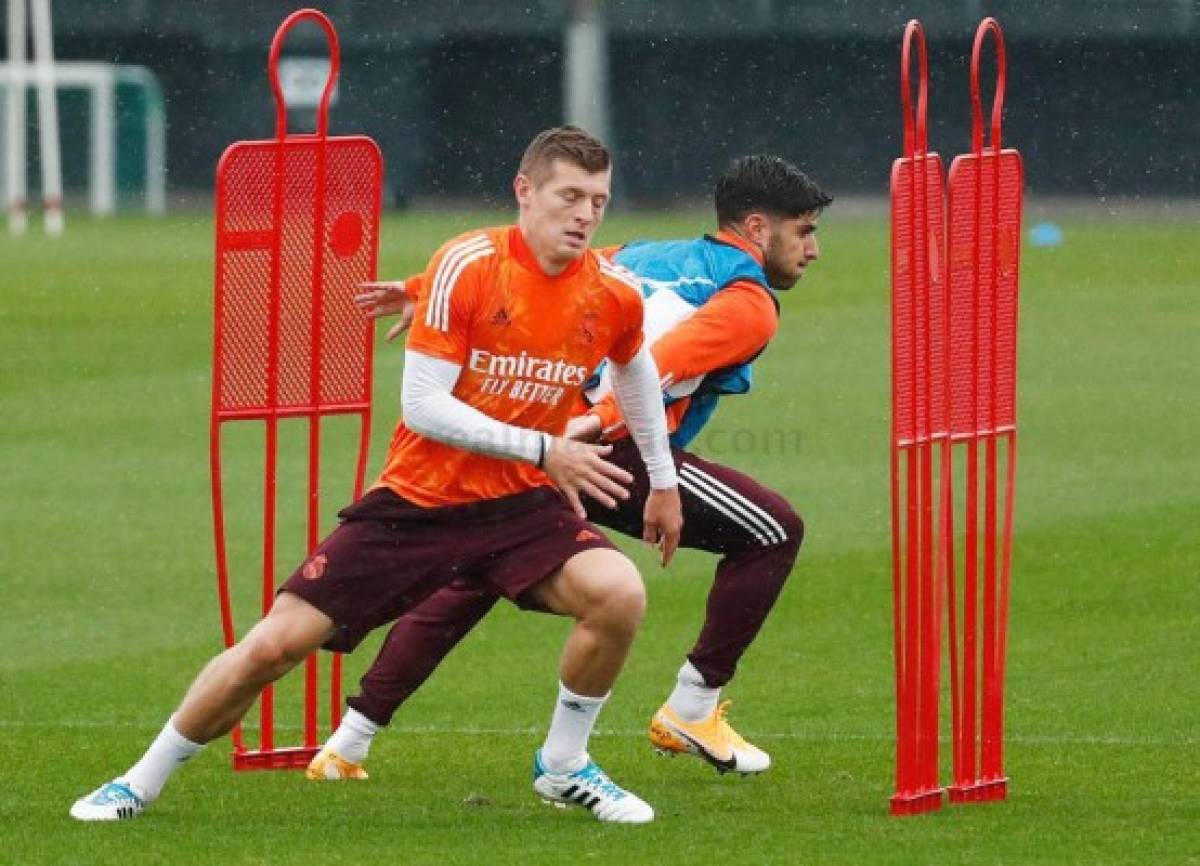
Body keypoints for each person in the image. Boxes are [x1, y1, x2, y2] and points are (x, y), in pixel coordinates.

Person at [70, 126, 683, 825]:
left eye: (598, 201)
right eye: (569, 196)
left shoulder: (611, 293)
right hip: (420, 505)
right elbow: (422, 409)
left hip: (519, 506)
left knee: (619, 595)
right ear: (525, 192)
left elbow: (635, 367)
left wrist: (661, 482)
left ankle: (565, 765)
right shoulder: (467, 264)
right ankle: (137, 783)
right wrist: (545, 449)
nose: (584, 215)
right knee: (272, 649)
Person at [306, 155, 830, 782]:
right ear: (754, 228)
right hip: (606, 446)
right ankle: (692, 709)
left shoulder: (644, 253)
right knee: (774, 529)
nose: (814, 249)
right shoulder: (748, 302)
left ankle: (348, 745)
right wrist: (589, 427)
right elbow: (658, 365)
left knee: (475, 571)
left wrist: (421, 288)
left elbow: (537, 270)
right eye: (803, 231)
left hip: (541, 431)